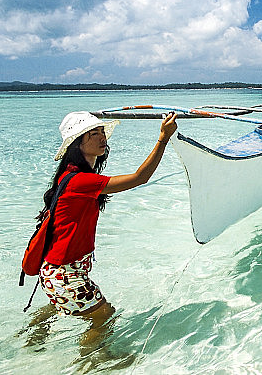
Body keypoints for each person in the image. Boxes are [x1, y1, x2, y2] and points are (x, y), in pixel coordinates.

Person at [36, 110, 178, 329]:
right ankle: (93, 363)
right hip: (65, 274)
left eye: (102, 131)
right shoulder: (80, 182)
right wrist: (163, 138)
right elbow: (140, 178)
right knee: (104, 317)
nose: (102, 137)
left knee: (81, 311)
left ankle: (32, 340)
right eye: (94, 133)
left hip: (57, 273)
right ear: (77, 144)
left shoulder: (73, 176)